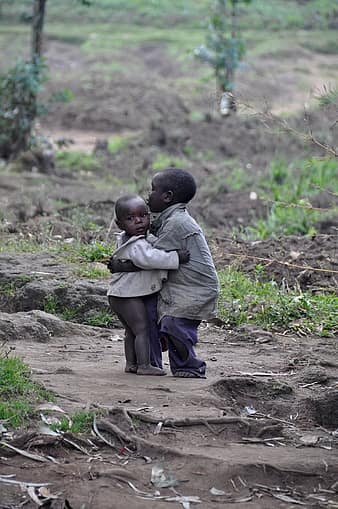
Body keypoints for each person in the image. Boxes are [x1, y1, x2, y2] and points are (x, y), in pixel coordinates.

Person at [109, 169, 219, 378]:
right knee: (150, 318)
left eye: (152, 190)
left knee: (174, 325)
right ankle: (148, 363)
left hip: (193, 288)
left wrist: (121, 265)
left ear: (167, 196)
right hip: (175, 284)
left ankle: (189, 366)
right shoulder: (167, 219)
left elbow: (151, 258)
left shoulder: (177, 223)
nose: (148, 195)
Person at [107, 193, 190, 376]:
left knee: (131, 331)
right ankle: (144, 365)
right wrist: (177, 257)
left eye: (143, 216)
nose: (138, 221)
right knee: (142, 329)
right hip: (127, 296)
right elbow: (153, 258)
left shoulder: (126, 238)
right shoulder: (137, 245)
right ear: (120, 224)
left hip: (118, 295)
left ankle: (131, 363)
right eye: (130, 219)